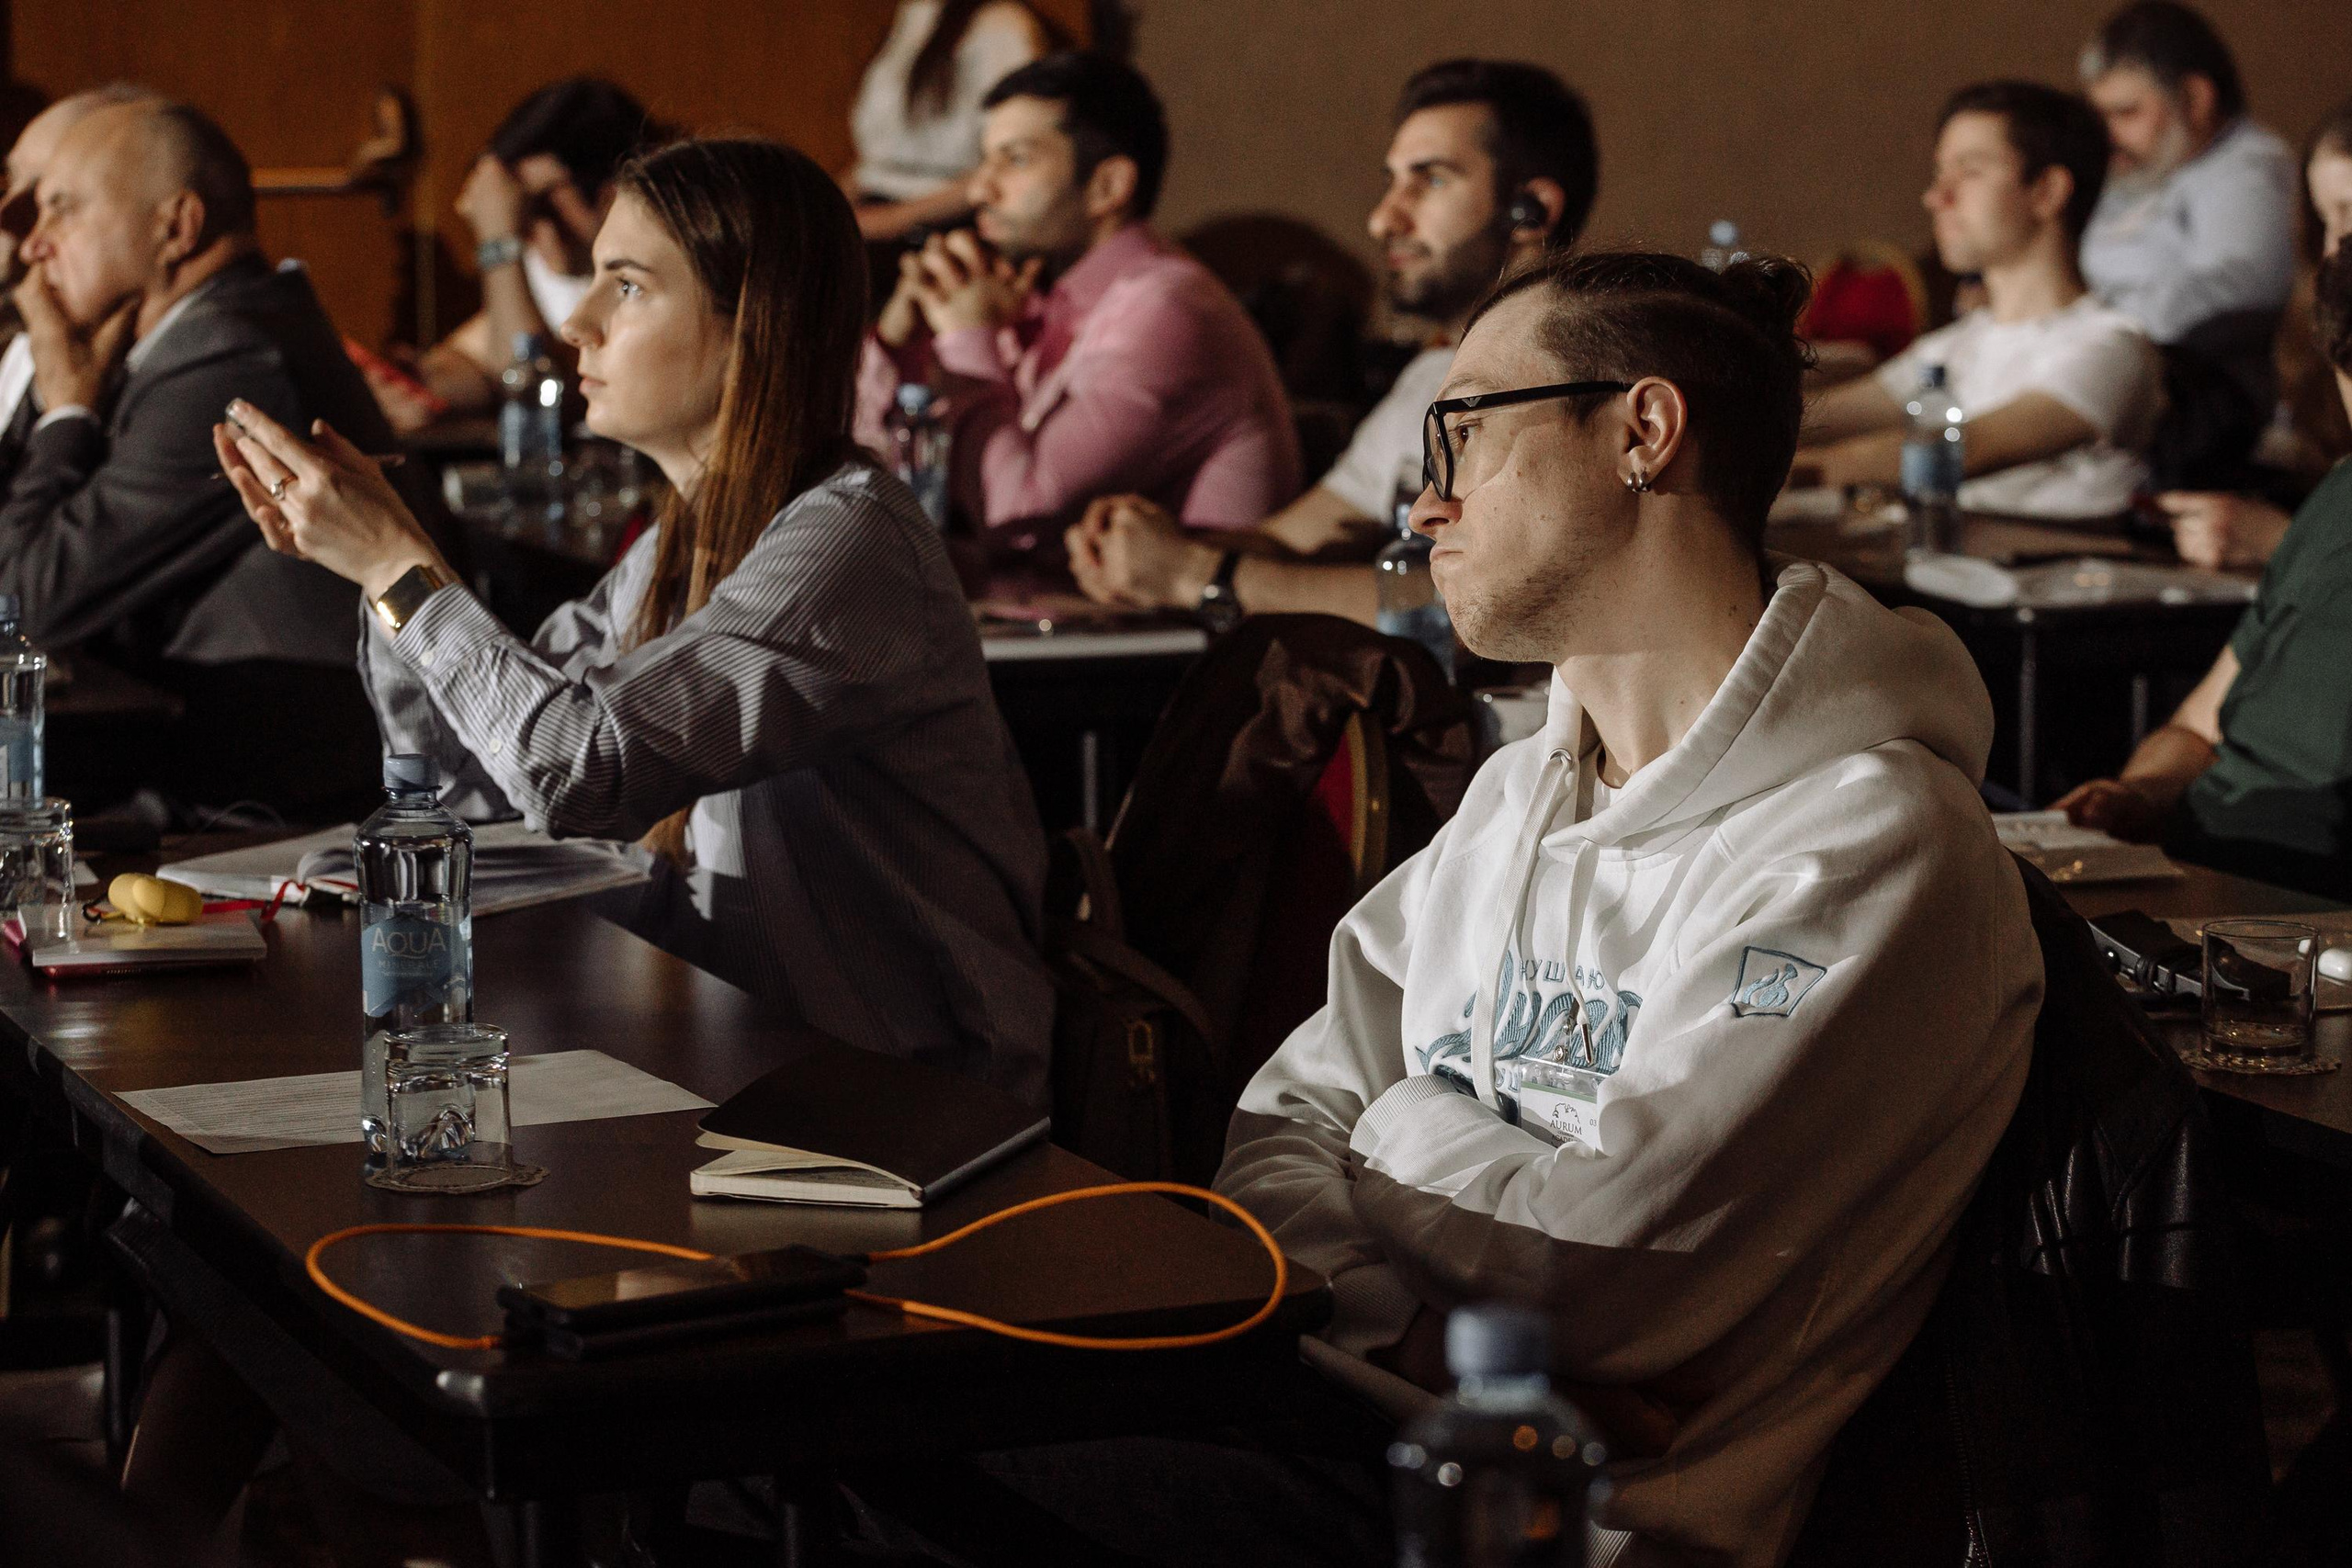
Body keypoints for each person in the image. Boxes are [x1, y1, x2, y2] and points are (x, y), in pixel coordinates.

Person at [876, 253, 2042, 1568]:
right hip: (1366, 1413)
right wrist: (1424, 1335)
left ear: (1642, 433)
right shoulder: (1519, 793)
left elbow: (1594, 1265)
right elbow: (1267, 1139)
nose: (1426, 501)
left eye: (1466, 430)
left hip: (1582, 1527)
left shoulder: (1872, 841)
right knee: (845, 1421)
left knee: (847, 1467)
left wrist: (1394, 1120)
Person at [216, 137, 1054, 1100]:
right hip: (741, 1067)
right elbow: (475, 788)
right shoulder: (686, 537)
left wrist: (397, 568)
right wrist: (379, 573)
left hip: (906, 1109)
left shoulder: (845, 545)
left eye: (624, 286)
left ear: (752, 328)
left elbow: (579, 770)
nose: (575, 323)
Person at [1066, 59, 1598, 628]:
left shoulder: (1563, 378)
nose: (1382, 219)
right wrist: (1138, 549)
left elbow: (1477, 604)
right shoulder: (1435, 371)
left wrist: (1200, 575)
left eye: (1431, 179)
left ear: (1531, 211)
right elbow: (1299, 538)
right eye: (1392, 182)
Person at [1, 96, 396, 817]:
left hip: (268, 808)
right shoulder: (177, 340)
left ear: (176, 227)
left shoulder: (229, 358)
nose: (34, 245)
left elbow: (22, 600)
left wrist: (67, 413)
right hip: (195, 761)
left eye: (64, 210)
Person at [854, 51, 1298, 556]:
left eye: (1015, 159)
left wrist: (968, 337)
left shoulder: (1167, 312)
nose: (980, 188)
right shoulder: (1038, 302)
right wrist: (898, 341)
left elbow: (1016, 516)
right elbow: (870, 478)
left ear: (1107, 186)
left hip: (1185, 631)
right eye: (984, 159)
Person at [2054, 243, 2352, 899]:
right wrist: (2137, 794)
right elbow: (2197, 727)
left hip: (2288, 907)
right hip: (2193, 866)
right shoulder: (2336, 499)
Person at [1800, 81, 2163, 520]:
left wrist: (1790, 469)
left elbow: (1967, 449)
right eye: (1939, 174)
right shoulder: (1954, 346)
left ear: (2047, 191)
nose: (1937, 197)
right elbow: (1816, 414)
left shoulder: (2110, 345)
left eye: (1970, 171)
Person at [2077, 1, 2298, 467]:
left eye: (2126, 112)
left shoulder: (2247, 167)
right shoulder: (2137, 171)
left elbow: (2240, 284)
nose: (2108, 134)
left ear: (2195, 99)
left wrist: (2090, 321)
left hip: (2200, 410)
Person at [368, 78, 655, 432]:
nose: (533, 226)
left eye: (542, 201)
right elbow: (484, 358)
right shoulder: (550, 269)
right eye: (520, 209)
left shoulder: (648, 274)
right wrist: (419, 384)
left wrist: (499, 241)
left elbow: (543, 389)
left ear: (613, 190)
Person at [2154, 96, 2352, 570]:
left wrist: (2279, 540)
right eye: (2324, 220)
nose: (2334, 247)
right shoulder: (2311, 339)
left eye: (2350, 211)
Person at [0, 85, 156, 454]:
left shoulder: (165, 371)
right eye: (8, 180)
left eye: (56, 202)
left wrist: (69, 417)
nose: (6, 212)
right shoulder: (21, 339)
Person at [847, 0, 1055, 243]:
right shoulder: (919, 12)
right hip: (875, 210)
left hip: (942, 222)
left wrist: (891, 220)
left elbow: (1011, 159)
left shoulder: (1003, 26)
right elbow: (880, 157)